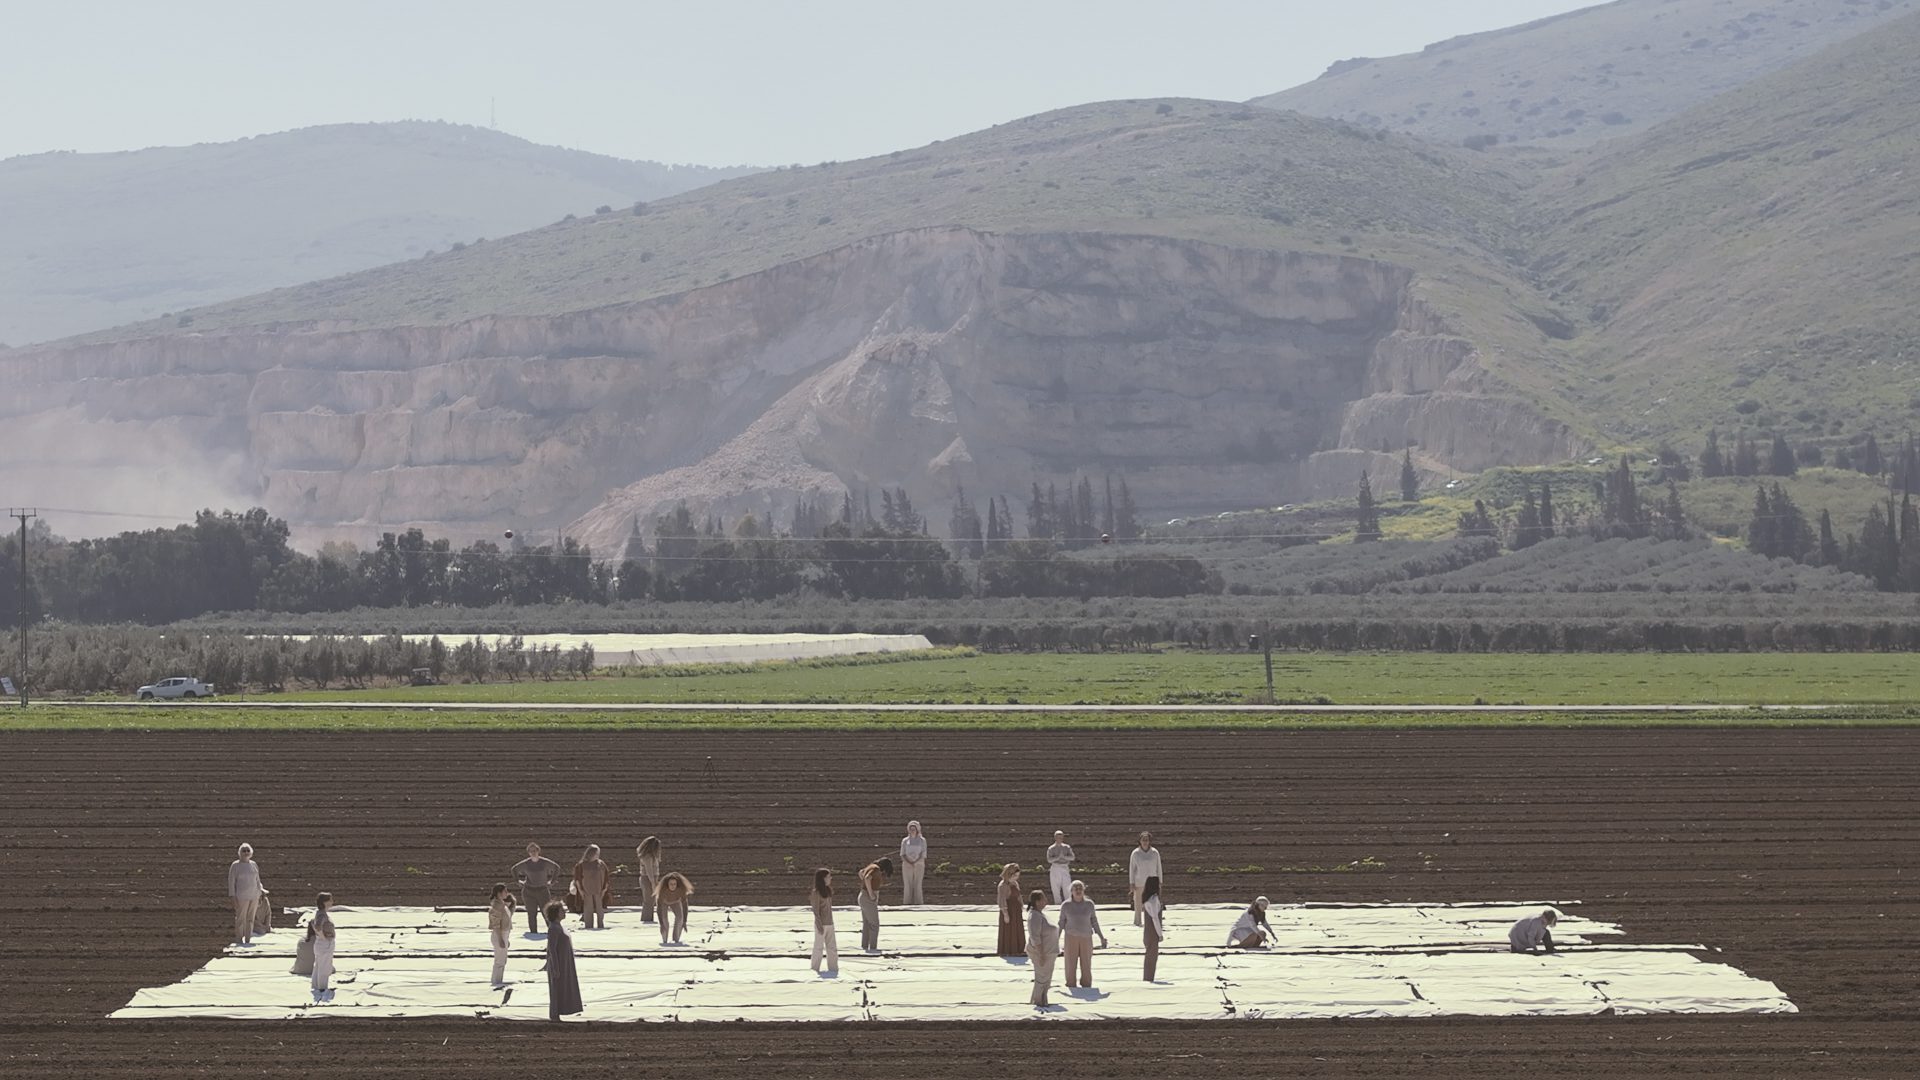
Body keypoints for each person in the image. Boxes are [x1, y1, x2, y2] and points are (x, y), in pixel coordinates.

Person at [1057, 880, 1108, 989]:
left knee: (1086, 962)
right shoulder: (1066, 905)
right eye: (1076, 888)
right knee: (1070, 963)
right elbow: (1061, 922)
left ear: (1084, 890)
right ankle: (1071, 983)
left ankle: (1086, 983)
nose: (1078, 890)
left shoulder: (1089, 904)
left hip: (1086, 937)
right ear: (1071, 891)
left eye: (1080, 888)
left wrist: (1101, 937)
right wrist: (1055, 939)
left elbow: (1094, 921)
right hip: (1071, 937)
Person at [543, 901, 583, 1021]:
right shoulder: (554, 929)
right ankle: (554, 1015)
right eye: (562, 911)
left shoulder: (558, 927)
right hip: (559, 964)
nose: (564, 912)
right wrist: (555, 967)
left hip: (564, 964)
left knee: (562, 988)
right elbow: (552, 949)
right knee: (556, 989)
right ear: (556, 913)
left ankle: (559, 1012)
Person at [511, 843, 563, 935]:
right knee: (531, 913)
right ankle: (533, 932)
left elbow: (556, 868)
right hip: (529, 891)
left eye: (534, 851)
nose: (533, 853)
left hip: (542, 890)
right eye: (531, 851)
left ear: (538, 851)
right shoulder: (526, 863)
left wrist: (552, 881)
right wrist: (517, 881)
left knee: (547, 912)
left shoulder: (544, 862)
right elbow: (514, 869)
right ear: (528, 853)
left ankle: (552, 930)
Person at [1025, 890, 1060, 1008]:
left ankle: (1041, 1000)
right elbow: (1035, 937)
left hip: (1049, 951)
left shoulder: (1039, 914)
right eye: (1043, 898)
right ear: (1037, 901)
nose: (1046, 901)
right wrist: (1041, 954)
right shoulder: (1034, 916)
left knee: (1046, 978)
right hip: (1043, 952)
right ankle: (1039, 1002)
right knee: (1042, 978)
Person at [228, 843, 263, 946]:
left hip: (254, 896)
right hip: (241, 897)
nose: (246, 852)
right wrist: (232, 896)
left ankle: (248, 940)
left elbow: (257, 880)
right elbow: (231, 882)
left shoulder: (253, 864)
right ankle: (239, 940)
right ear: (240, 853)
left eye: (248, 850)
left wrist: (260, 893)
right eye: (244, 850)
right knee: (240, 918)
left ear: (251, 852)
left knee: (251, 919)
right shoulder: (235, 865)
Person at [858, 857, 893, 952]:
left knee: (866, 923)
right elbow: (867, 877)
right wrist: (871, 893)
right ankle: (873, 947)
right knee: (874, 924)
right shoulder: (876, 869)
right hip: (868, 897)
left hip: (862, 896)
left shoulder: (870, 866)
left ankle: (864, 946)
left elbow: (861, 873)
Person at [572, 845, 611, 930]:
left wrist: (604, 889)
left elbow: (606, 877)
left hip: (599, 890)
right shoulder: (581, 865)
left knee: (600, 910)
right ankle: (588, 926)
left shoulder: (601, 864)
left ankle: (601, 925)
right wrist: (580, 890)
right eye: (596, 853)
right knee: (588, 909)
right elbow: (577, 878)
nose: (598, 855)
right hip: (587, 890)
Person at [1127, 832, 1162, 927]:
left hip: (1152, 882)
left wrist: (1160, 880)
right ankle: (1138, 921)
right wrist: (1131, 883)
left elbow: (1159, 867)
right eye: (1143, 840)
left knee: (1152, 903)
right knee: (1138, 903)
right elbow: (1132, 869)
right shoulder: (1135, 853)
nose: (1145, 842)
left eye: (1147, 840)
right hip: (1139, 882)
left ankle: (1152, 921)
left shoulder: (1155, 852)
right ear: (1140, 841)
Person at [809, 868, 839, 975]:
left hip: (830, 923)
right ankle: (814, 969)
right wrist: (819, 924)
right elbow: (815, 910)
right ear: (822, 878)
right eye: (828, 876)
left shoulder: (828, 891)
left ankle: (834, 969)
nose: (830, 878)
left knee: (832, 947)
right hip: (821, 924)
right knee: (818, 947)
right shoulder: (816, 893)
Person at [995, 863, 1026, 957]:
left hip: (1016, 910)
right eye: (1015, 876)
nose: (1016, 878)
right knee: (1009, 929)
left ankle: (1019, 948)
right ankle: (1008, 949)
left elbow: (1019, 895)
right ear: (1009, 874)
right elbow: (1002, 900)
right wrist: (1005, 914)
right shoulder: (1002, 885)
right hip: (1009, 910)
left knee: (1017, 928)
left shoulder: (1015, 883)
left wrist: (1021, 905)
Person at [308, 892, 336, 995]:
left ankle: (316, 987)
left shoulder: (319, 913)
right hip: (324, 944)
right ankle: (322, 989)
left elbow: (313, 923)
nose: (332, 902)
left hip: (320, 943)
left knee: (319, 966)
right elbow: (318, 926)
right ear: (325, 902)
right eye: (330, 900)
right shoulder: (322, 915)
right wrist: (323, 937)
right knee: (324, 967)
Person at [488, 883, 516, 987]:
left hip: (503, 934)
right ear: (499, 893)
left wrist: (505, 939)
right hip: (499, 934)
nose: (507, 893)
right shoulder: (497, 906)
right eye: (505, 891)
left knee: (502, 960)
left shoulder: (502, 905)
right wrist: (500, 939)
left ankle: (497, 981)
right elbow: (496, 925)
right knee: (499, 961)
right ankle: (496, 982)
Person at [655, 871, 693, 945]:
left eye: (674, 884)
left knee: (680, 918)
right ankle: (665, 940)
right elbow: (659, 908)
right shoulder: (662, 892)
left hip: (676, 902)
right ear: (667, 885)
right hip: (664, 903)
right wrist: (661, 924)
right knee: (665, 920)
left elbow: (685, 905)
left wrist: (684, 921)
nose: (673, 886)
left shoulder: (681, 890)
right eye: (671, 884)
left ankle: (676, 939)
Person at [1140, 876, 1165, 982]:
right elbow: (1155, 918)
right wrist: (1160, 934)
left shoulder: (1149, 900)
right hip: (1152, 932)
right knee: (1152, 956)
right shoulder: (1153, 901)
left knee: (1149, 955)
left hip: (1148, 932)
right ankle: (1148, 978)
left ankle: (1148, 977)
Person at [634, 836, 663, 923]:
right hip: (648, 879)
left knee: (651, 900)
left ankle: (649, 918)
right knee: (648, 901)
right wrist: (653, 883)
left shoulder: (652, 856)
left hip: (652, 878)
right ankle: (646, 919)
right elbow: (649, 871)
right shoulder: (647, 857)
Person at [898, 822, 927, 905]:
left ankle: (918, 902)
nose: (912, 831)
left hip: (919, 864)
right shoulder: (905, 840)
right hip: (907, 864)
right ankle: (907, 902)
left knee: (918, 883)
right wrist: (908, 861)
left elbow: (923, 853)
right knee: (907, 883)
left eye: (914, 829)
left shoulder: (922, 840)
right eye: (911, 829)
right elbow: (902, 853)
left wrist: (916, 861)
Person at [1046, 831, 1075, 904]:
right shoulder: (1051, 848)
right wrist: (1058, 857)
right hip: (1055, 868)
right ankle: (1057, 904)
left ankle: (1068, 904)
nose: (1060, 839)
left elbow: (1072, 857)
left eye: (1061, 837)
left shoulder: (1067, 847)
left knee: (1067, 887)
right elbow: (1049, 860)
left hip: (1064, 867)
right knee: (1055, 888)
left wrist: (1064, 857)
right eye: (1058, 837)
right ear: (1055, 838)